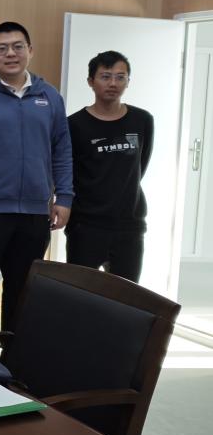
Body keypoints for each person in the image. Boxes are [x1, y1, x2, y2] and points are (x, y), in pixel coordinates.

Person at [0, 21, 73, 333]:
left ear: (30, 51)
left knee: (23, 293)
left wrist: (64, 197)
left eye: (18, 47)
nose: (10, 54)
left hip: (34, 212)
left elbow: (62, 149)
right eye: (2, 48)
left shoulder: (50, 96)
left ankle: (13, 359)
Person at [66, 51, 153, 281]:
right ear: (90, 81)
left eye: (120, 77)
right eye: (105, 76)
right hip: (86, 225)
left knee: (125, 296)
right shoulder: (74, 124)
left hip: (129, 225)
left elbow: (140, 166)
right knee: (80, 293)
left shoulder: (142, 120)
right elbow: (69, 172)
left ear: (128, 81)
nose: (113, 83)